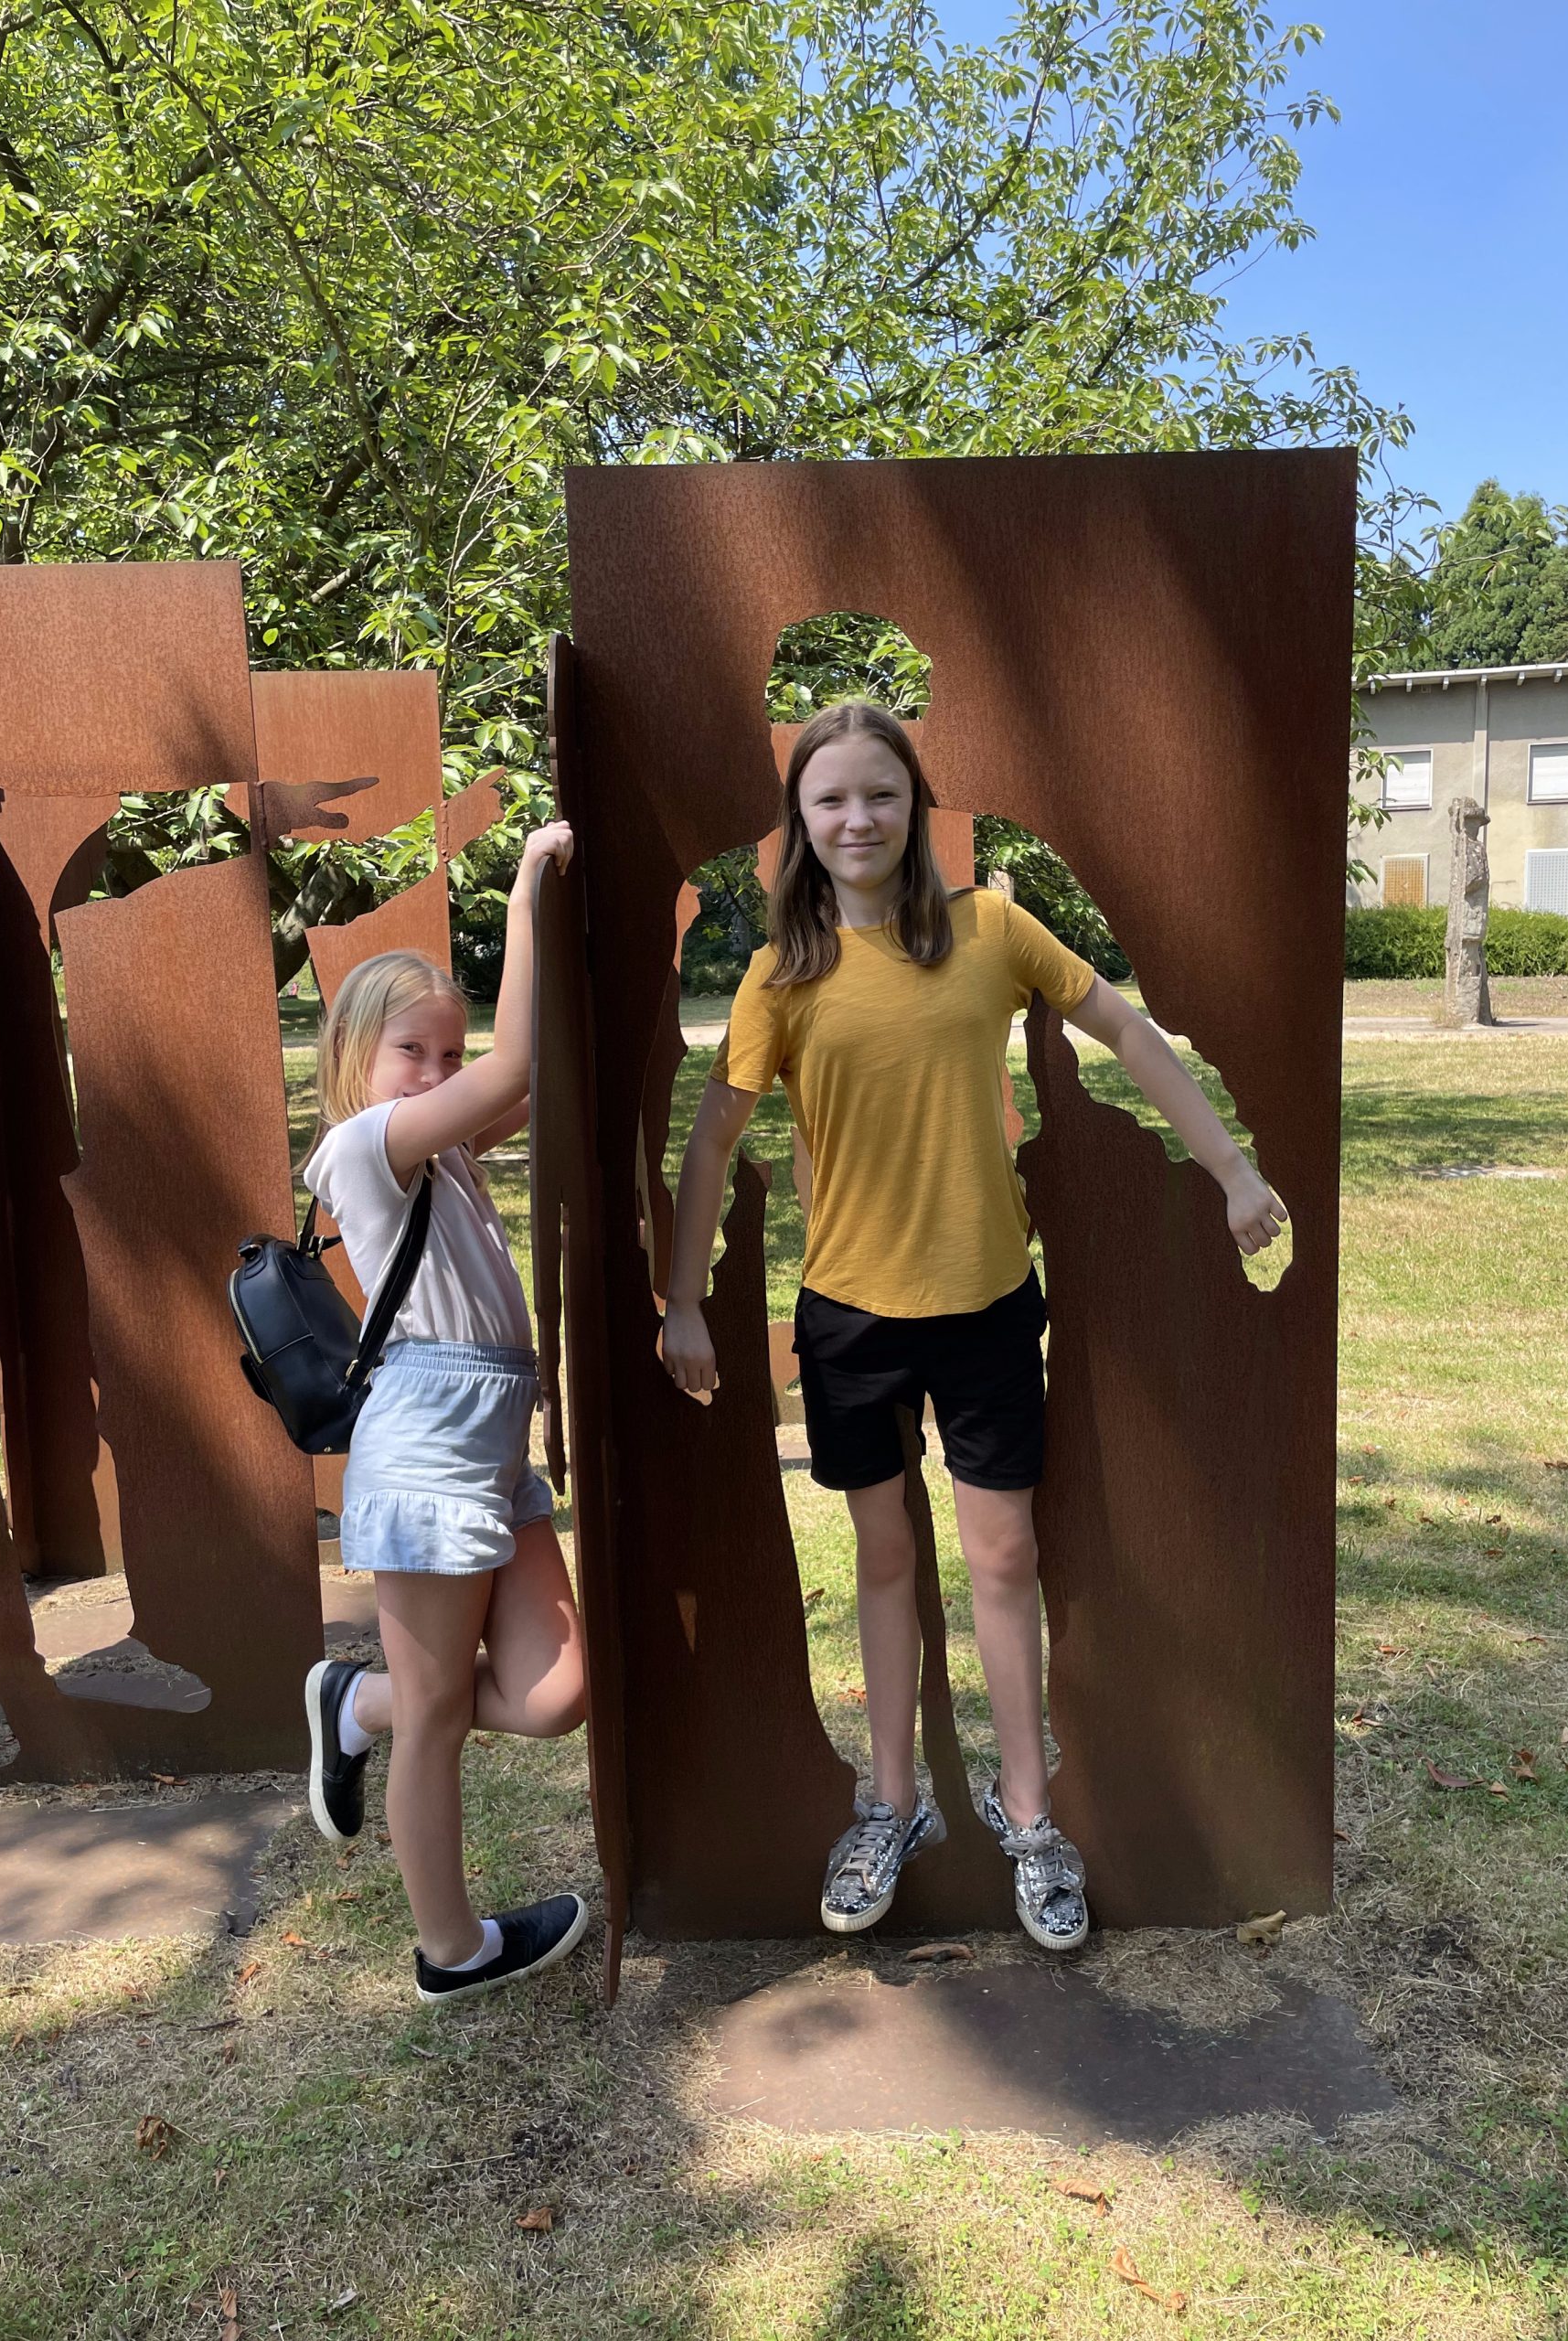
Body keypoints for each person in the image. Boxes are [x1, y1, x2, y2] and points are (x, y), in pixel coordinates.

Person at [660, 700, 1285, 1951]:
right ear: (801, 820)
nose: (857, 819)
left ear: (917, 806)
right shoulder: (783, 974)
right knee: (884, 1564)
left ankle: (1029, 1818)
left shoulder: (994, 930)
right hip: (848, 1320)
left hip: (990, 1310)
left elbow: (1122, 1029)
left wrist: (1229, 1167)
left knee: (1002, 1563)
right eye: (831, 798)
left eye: (880, 795)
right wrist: (682, 1297)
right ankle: (891, 1806)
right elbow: (713, 1137)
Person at [300, 820, 589, 2005]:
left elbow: (528, 1073)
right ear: (357, 1057)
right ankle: (448, 1949)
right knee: (441, 1724)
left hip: (490, 1446)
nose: (436, 1073)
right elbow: (513, 1075)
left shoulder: (446, 1152)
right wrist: (525, 885)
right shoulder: (364, 1148)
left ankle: (354, 1700)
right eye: (411, 1051)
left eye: (446, 1054)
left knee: (557, 1692)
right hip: (424, 1450)